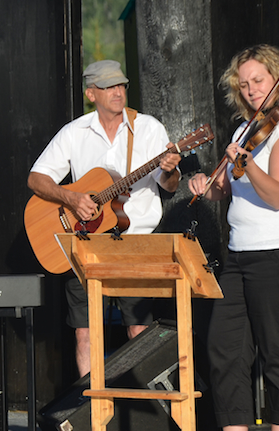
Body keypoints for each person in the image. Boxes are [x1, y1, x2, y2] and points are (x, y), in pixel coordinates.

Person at [188, 44, 279, 431]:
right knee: (225, 349)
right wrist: (208, 182)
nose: (251, 90)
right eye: (243, 84)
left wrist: (245, 168)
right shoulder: (248, 128)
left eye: (258, 81)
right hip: (240, 254)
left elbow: (278, 193)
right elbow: (224, 189)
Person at [27, 59, 181, 377]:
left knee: (139, 329)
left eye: (121, 85)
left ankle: (142, 411)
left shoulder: (149, 128)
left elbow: (169, 186)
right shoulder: (75, 132)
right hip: (86, 241)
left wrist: (170, 171)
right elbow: (36, 179)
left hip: (135, 244)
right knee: (85, 333)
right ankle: (90, 409)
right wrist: (71, 198)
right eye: (108, 87)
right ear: (90, 93)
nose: (117, 92)